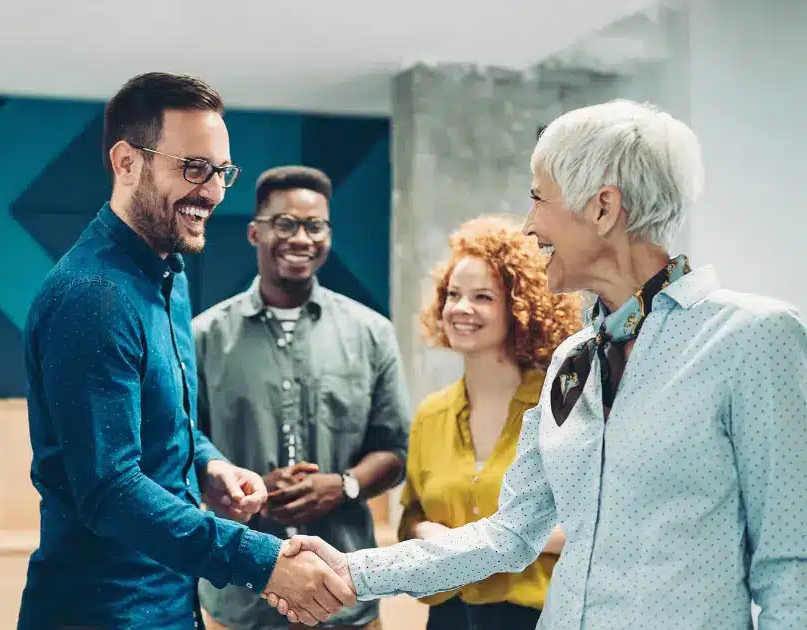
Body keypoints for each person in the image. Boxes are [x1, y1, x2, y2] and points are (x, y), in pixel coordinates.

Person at [270, 100, 807, 629]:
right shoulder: (574, 360)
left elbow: (793, 568)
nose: (528, 226)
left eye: (538, 197)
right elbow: (509, 535)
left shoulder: (753, 338)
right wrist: (351, 568)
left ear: (602, 207)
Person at [18, 72, 355, 630]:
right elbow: (110, 490)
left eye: (222, 171)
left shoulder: (167, 274)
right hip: (101, 611)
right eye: (194, 168)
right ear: (126, 162)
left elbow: (162, 422)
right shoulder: (94, 296)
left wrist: (207, 464)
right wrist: (263, 561)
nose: (213, 192)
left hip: (171, 600)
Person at [193, 166, 411, 630]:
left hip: (346, 594)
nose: (301, 238)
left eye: (315, 226)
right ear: (255, 231)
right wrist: (240, 486)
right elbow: (183, 446)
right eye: (285, 224)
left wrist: (342, 485)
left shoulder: (372, 334)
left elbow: (395, 451)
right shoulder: (203, 337)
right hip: (239, 598)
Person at [400, 215, 583, 630]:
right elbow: (410, 518)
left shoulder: (562, 406)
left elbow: (591, 526)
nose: (461, 309)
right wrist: (422, 532)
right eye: (453, 295)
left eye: (483, 297)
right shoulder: (430, 415)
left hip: (537, 619)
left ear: (520, 307)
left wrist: (470, 542)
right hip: (446, 618)